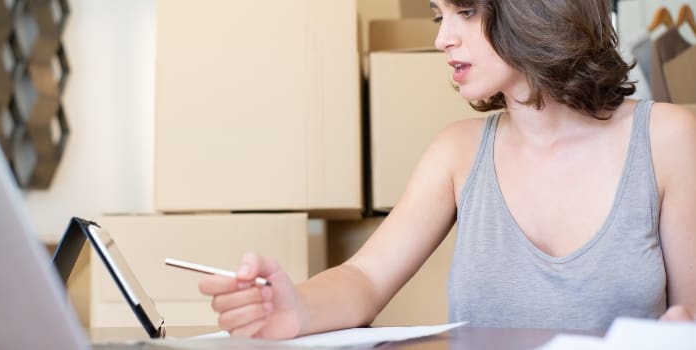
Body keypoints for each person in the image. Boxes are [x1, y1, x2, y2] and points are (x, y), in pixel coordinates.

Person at [198, 0, 696, 339]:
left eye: (465, 10)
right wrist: (294, 308)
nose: (442, 38)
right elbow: (365, 279)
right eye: (438, 14)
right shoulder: (456, 152)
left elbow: (690, 317)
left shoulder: (667, 139)